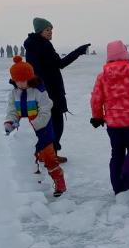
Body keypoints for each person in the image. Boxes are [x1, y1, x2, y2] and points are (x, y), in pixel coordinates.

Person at [24, 17, 90, 162]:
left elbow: (35, 69)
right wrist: (78, 51)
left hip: (43, 90)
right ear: (40, 31)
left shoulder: (34, 45)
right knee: (56, 124)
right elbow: (60, 64)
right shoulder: (43, 46)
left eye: (51, 30)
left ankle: (45, 152)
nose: (51, 32)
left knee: (49, 124)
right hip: (50, 90)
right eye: (47, 30)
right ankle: (49, 153)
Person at [90, 40, 129, 195]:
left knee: (117, 154)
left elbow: (96, 98)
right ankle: (128, 175)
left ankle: (118, 187)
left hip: (113, 124)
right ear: (125, 53)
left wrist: (97, 116)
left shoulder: (102, 75)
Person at [4, 56, 66, 197]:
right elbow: (12, 111)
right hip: (26, 137)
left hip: (43, 132)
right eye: (17, 81)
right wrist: (10, 123)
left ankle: (59, 182)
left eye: (23, 80)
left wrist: (33, 126)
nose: (21, 83)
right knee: (31, 161)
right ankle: (35, 187)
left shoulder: (39, 91)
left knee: (50, 159)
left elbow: (45, 110)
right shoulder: (14, 94)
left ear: (30, 77)